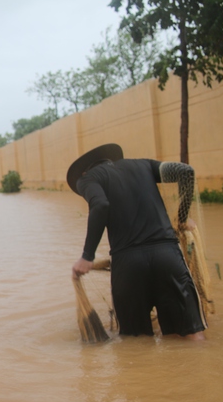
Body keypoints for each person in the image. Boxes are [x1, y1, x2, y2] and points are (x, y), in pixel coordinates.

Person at [68, 143, 206, 340]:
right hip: (167, 256)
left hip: (128, 267)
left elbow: (100, 204)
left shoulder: (87, 179)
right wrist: (182, 217)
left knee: (136, 344)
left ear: (83, 171)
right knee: (191, 335)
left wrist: (87, 256)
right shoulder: (144, 165)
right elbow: (185, 171)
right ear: (111, 159)